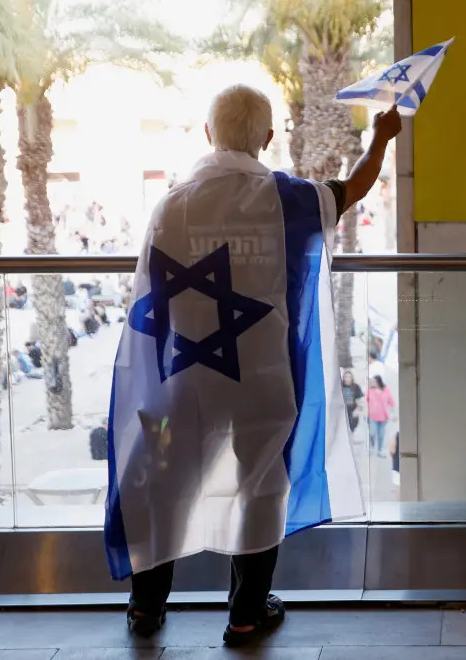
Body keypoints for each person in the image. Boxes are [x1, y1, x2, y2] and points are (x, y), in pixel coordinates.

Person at [104, 85, 398, 645]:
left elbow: (151, 300)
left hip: (179, 377)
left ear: (208, 133)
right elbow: (354, 188)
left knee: (163, 485)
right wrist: (380, 138)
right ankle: (245, 613)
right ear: (268, 138)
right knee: (261, 486)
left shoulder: (171, 203)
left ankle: (146, 608)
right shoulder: (287, 198)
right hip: (261, 377)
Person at [366, 375, 395, 458]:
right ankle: (371, 446)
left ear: (379, 382)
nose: (373, 383)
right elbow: (366, 401)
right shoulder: (369, 390)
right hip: (372, 416)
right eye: (372, 382)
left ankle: (380, 450)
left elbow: (391, 401)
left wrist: (394, 412)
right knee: (372, 433)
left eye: (375, 381)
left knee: (381, 435)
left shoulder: (386, 390)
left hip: (383, 417)